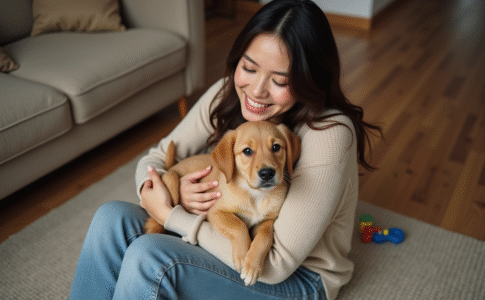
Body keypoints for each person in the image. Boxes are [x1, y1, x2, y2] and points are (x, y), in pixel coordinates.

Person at [69, 0, 381, 299]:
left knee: (149, 256)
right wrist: (153, 193)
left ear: (309, 80)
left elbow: (276, 266)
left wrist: (173, 217)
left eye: (280, 80)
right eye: (249, 67)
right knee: (111, 217)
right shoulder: (230, 92)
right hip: (230, 233)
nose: (257, 90)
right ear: (238, 60)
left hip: (299, 279)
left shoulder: (329, 133)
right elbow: (157, 157)